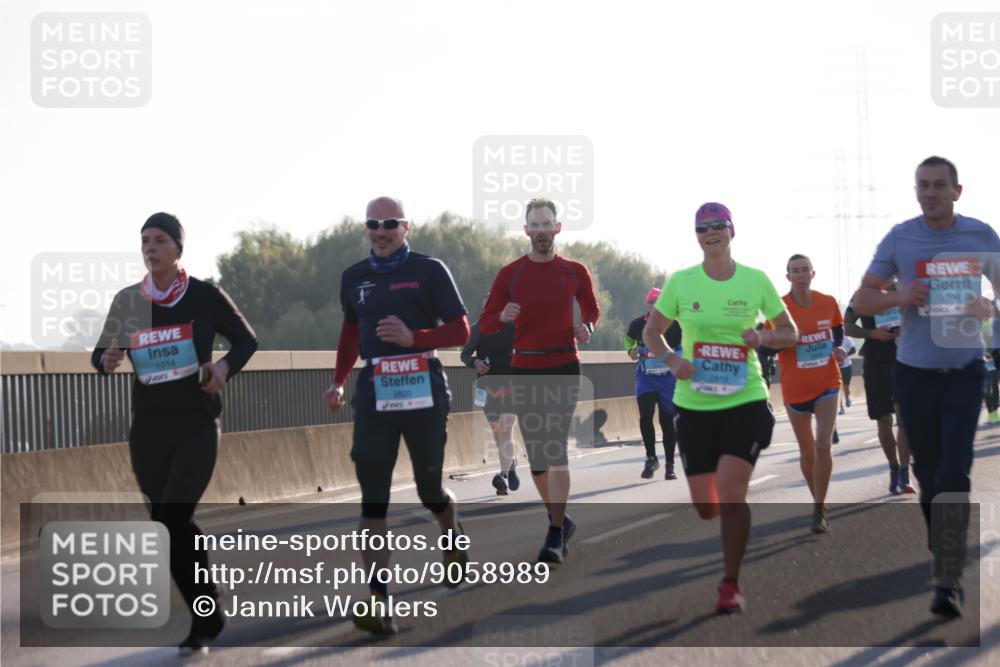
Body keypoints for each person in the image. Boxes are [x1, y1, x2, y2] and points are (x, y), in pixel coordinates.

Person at [92, 212, 258, 655]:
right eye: (145, 240)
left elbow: (246, 341)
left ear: (178, 248)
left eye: (159, 240)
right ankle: (206, 617)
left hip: (197, 424)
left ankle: (206, 614)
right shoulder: (129, 301)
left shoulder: (205, 296)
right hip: (149, 429)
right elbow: (101, 353)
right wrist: (106, 360)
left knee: (173, 516)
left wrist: (223, 367)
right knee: (166, 526)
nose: (150, 248)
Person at [850, 156, 1000, 618]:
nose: (930, 193)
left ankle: (947, 579)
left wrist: (988, 307)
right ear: (916, 191)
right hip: (913, 373)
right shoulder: (901, 238)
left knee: (955, 473)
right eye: (923, 185)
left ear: (957, 191)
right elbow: (861, 299)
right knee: (930, 478)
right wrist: (900, 295)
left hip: (964, 372)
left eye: (939, 185)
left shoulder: (980, 235)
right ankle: (945, 546)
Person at [323, 197, 471, 633]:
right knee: (374, 497)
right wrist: (338, 381)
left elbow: (461, 329)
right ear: (366, 229)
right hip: (375, 392)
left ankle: (451, 531)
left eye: (390, 223)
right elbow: (351, 332)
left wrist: (413, 337)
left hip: (424, 386)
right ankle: (378, 599)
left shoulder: (429, 270)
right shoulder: (354, 277)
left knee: (429, 489)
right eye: (373, 224)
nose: (381, 231)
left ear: (406, 227)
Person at [644, 202, 797, 614]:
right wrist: (671, 359)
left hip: (745, 400)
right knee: (705, 507)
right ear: (697, 236)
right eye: (702, 228)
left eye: (718, 226)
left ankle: (730, 583)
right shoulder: (682, 282)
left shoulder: (755, 280)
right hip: (694, 405)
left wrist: (763, 338)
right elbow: (652, 331)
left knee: (731, 494)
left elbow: (790, 332)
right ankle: (726, 552)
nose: (710, 233)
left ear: (731, 231)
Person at [480, 197, 600, 564]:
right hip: (525, 367)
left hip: (564, 365)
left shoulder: (574, 271)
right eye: (536, 225)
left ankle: (554, 533)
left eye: (548, 224)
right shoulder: (510, 274)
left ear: (557, 228)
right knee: (537, 459)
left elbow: (591, 308)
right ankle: (560, 520)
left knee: (554, 447)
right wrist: (503, 315)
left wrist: (587, 326)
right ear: (526, 230)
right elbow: (486, 324)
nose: (542, 231)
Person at [767, 255, 846, 533]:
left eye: (804, 270)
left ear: (813, 274)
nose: (800, 275)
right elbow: (768, 344)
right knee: (807, 449)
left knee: (823, 444)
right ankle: (818, 502)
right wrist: (787, 340)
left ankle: (819, 508)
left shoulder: (828, 302)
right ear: (788, 277)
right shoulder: (778, 308)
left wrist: (839, 348)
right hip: (795, 389)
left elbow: (838, 329)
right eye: (794, 271)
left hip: (827, 382)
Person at [844, 296, 915, 494]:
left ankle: (905, 472)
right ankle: (893, 467)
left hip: (905, 360)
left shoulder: (906, 289)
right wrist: (872, 333)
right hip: (876, 364)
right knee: (884, 421)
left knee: (904, 419)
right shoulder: (862, 295)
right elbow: (847, 326)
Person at [461, 297, 521, 494]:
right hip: (484, 388)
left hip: (511, 385)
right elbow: (465, 355)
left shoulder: (514, 327)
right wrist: (475, 363)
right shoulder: (477, 329)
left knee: (506, 427)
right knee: (496, 432)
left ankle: (502, 475)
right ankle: (510, 464)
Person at [624, 287, 681, 480]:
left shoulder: (674, 325)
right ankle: (651, 458)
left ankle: (670, 465)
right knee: (645, 415)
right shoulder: (638, 324)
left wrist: (677, 360)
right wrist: (631, 350)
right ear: (647, 304)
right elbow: (628, 340)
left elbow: (683, 348)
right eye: (652, 302)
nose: (656, 305)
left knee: (667, 422)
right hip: (645, 378)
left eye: (659, 302)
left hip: (667, 380)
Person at [838, 337, 856, 415]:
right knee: (838, 388)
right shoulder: (831, 339)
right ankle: (841, 407)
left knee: (846, 388)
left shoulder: (847, 339)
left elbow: (854, 350)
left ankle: (847, 397)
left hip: (847, 366)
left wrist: (845, 355)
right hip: (836, 367)